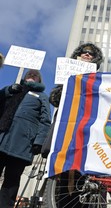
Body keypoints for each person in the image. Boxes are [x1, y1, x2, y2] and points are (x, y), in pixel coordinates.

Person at [40, 42, 104, 207]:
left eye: (91, 54)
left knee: (82, 170)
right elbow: (54, 99)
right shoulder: (67, 76)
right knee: (60, 170)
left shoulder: (99, 79)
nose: (87, 55)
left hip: (85, 128)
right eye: (84, 52)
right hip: (65, 127)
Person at [0, 69, 51, 208]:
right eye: (29, 74)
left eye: (35, 75)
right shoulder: (13, 90)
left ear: (39, 80)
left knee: (11, 180)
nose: (32, 75)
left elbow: (45, 120)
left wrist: (39, 141)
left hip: (22, 144)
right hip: (2, 138)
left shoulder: (42, 96)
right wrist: (8, 90)